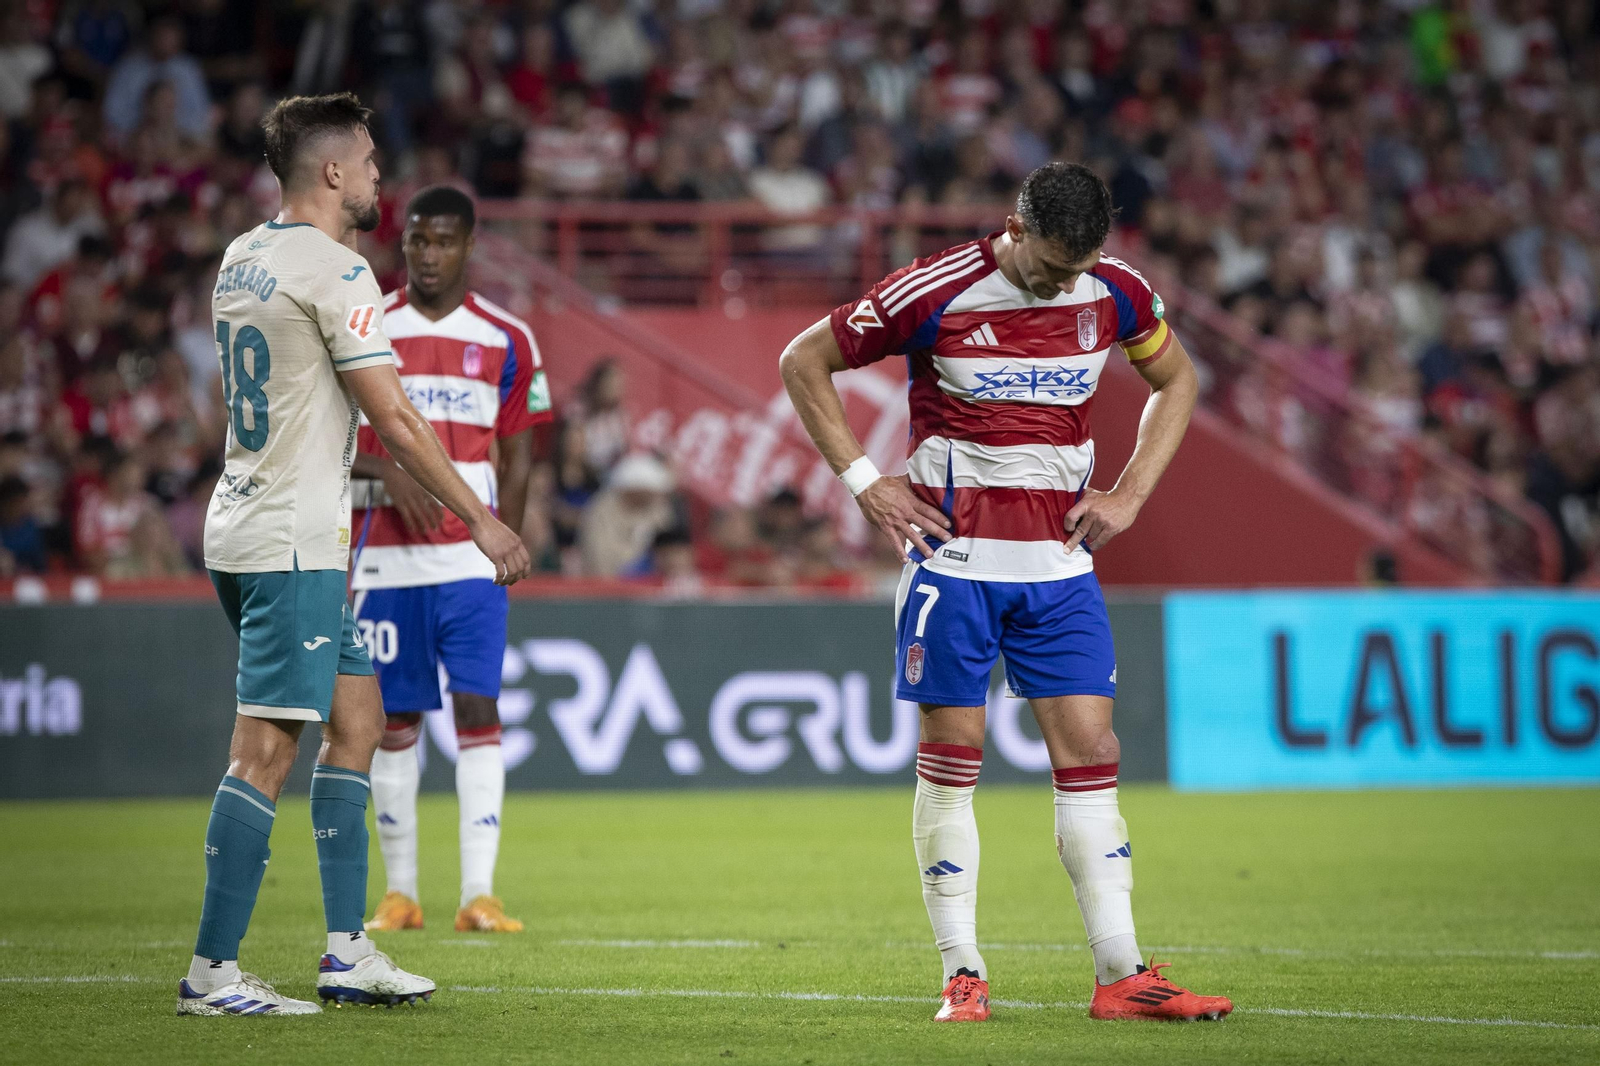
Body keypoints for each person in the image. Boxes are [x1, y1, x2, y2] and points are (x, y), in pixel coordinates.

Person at [778, 162, 1233, 1024]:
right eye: (1054, 264)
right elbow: (805, 359)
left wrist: (1130, 494)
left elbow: (1179, 382)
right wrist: (866, 479)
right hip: (956, 564)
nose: (1067, 283)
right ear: (1015, 227)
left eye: (1081, 266)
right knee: (954, 759)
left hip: (1059, 566)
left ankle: (1123, 975)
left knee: (1093, 755)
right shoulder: (936, 289)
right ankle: (963, 973)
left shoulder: (1118, 291)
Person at [179, 92, 530, 1017]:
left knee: (361, 721)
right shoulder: (338, 272)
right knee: (263, 750)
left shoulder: (242, 257)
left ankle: (346, 952)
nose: (380, 175)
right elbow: (399, 419)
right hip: (291, 539)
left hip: (258, 522)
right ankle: (212, 973)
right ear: (332, 172)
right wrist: (482, 521)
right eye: (370, 161)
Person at [352, 185, 551, 936]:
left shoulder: (507, 337)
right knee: (394, 718)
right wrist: (386, 474)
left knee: (478, 706)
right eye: (416, 242)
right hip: (385, 559)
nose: (428, 255)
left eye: (442, 242)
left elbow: (522, 451)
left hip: (469, 559)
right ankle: (401, 895)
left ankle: (479, 895)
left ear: (469, 246)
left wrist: (508, 537)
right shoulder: (370, 326)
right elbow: (331, 444)